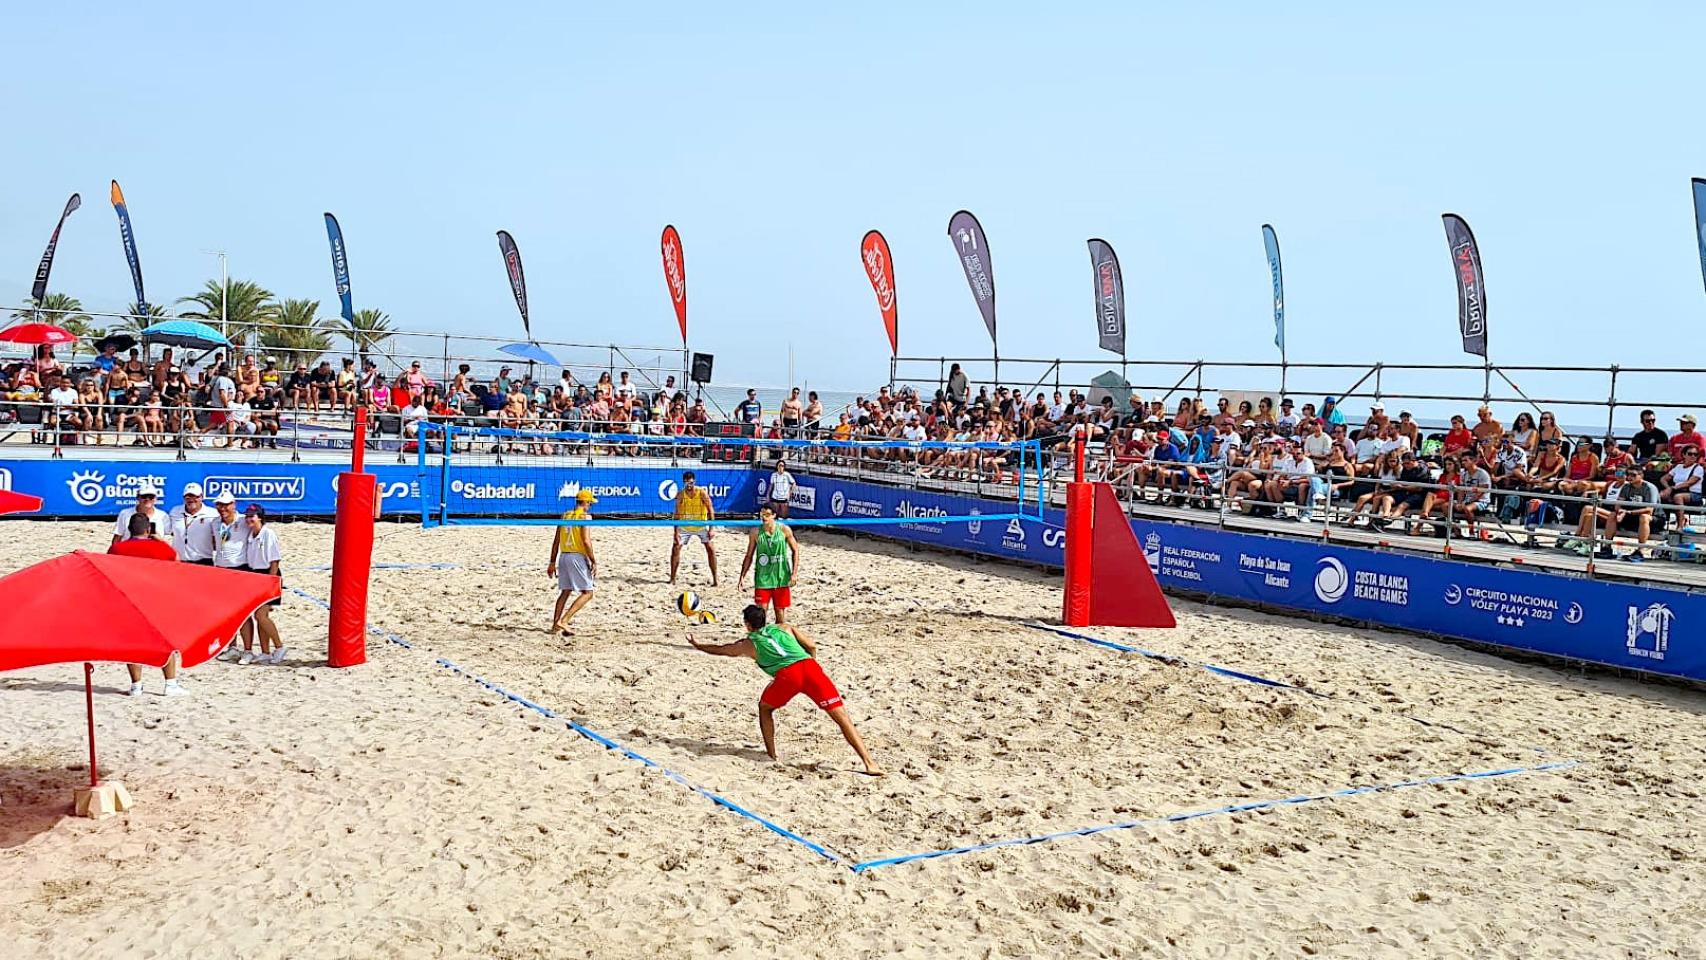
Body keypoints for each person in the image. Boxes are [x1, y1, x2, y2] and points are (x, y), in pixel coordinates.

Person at [686, 605, 881, 776]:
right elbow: (812, 645)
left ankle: (771, 755)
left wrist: (698, 645)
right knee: (842, 717)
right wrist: (812, 663)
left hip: (788, 676)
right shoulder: (784, 627)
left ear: (747, 625)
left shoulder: (748, 644)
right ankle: (869, 762)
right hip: (810, 668)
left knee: (765, 708)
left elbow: (722, 649)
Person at [109, 512, 188, 697]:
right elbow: (177, 562)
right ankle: (170, 684)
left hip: (128, 601)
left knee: (132, 644)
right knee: (164, 641)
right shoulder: (160, 549)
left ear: (129, 529)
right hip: (156, 600)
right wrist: (159, 541)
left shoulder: (117, 549)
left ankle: (136, 685)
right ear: (148, 529)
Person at [547, 489, 599, 636]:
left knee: (565, 591)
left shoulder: (564, 516)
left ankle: (555, 625)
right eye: (590, 503)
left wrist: (552, 562)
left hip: (563, 556)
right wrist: (593, 560)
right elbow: (586, 540)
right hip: (576, 557)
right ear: (586, 502)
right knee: (588, 593)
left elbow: (556, 541)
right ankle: (564, 620)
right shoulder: (585, 517)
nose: (590, 506)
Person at [740, 504, 799, 624]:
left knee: (780, 617)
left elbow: (796, 551)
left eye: (767, 515)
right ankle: (762, 642)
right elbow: (749, 555)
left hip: (781, 578)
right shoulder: (755, 532)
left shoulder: (784, 530)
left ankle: (779, 642)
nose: (764, 518)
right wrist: (742, 576)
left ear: (774, 516)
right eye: (762, 514)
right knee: (760, 617)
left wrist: (794, 574)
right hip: (763, 579)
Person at [243, 505, 286, 663]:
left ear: (260, 517)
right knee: (260, 616)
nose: (249, 519)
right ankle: (265, 652)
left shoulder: (268, 534)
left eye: (252, 516)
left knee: (260, 615)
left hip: (268, 575)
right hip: (255, 576)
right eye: (247, 516)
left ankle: (279, 647)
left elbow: (275, 560)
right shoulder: (251, 535)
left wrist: (270, 583)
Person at [668, 471, 719, 586]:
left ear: (694, 482)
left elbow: (711, 510)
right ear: (683, 483)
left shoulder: (701, 493)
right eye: (686, 483)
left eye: (691, 483)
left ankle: (716, 579)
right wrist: (675, 532)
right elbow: (676, 514)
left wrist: (711, 528)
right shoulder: (681, 494)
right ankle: (672, 579)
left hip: (700, 525)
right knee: (675, 548)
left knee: (710, 549)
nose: (689, 485)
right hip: (685, 526)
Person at [170, 482, 219, 564]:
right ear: (183, 498)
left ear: (202, 497)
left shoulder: (213, 514)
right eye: (188, 496)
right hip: (180, 561)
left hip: (204, 561)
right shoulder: (175, 511)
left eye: (195, 496)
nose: (191, 500)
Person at [111, 485, 172, 550]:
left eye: (151, 497)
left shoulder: (163, 516)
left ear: (156, 498)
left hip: (154, 554)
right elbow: (117, 538)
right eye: (144, 496)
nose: (147, 499)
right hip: (130, 554)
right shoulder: (125, 514)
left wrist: (158, 538)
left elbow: (169, 538)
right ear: (138, 497)